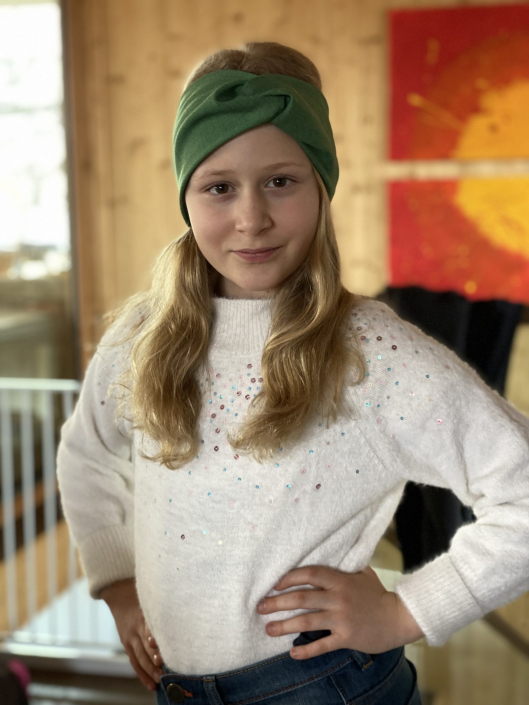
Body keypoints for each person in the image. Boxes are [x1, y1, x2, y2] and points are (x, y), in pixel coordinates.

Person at [56, 41, 529, 705]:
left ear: (321, 187)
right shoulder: (141, 334)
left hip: (323, 686)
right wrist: (117, 584)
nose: (251, 218)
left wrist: (406, 611)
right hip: (179, 688)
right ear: (186, 196)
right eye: (219, 187)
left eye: (280, 181)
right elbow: (86, 454)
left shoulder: (371, 353)